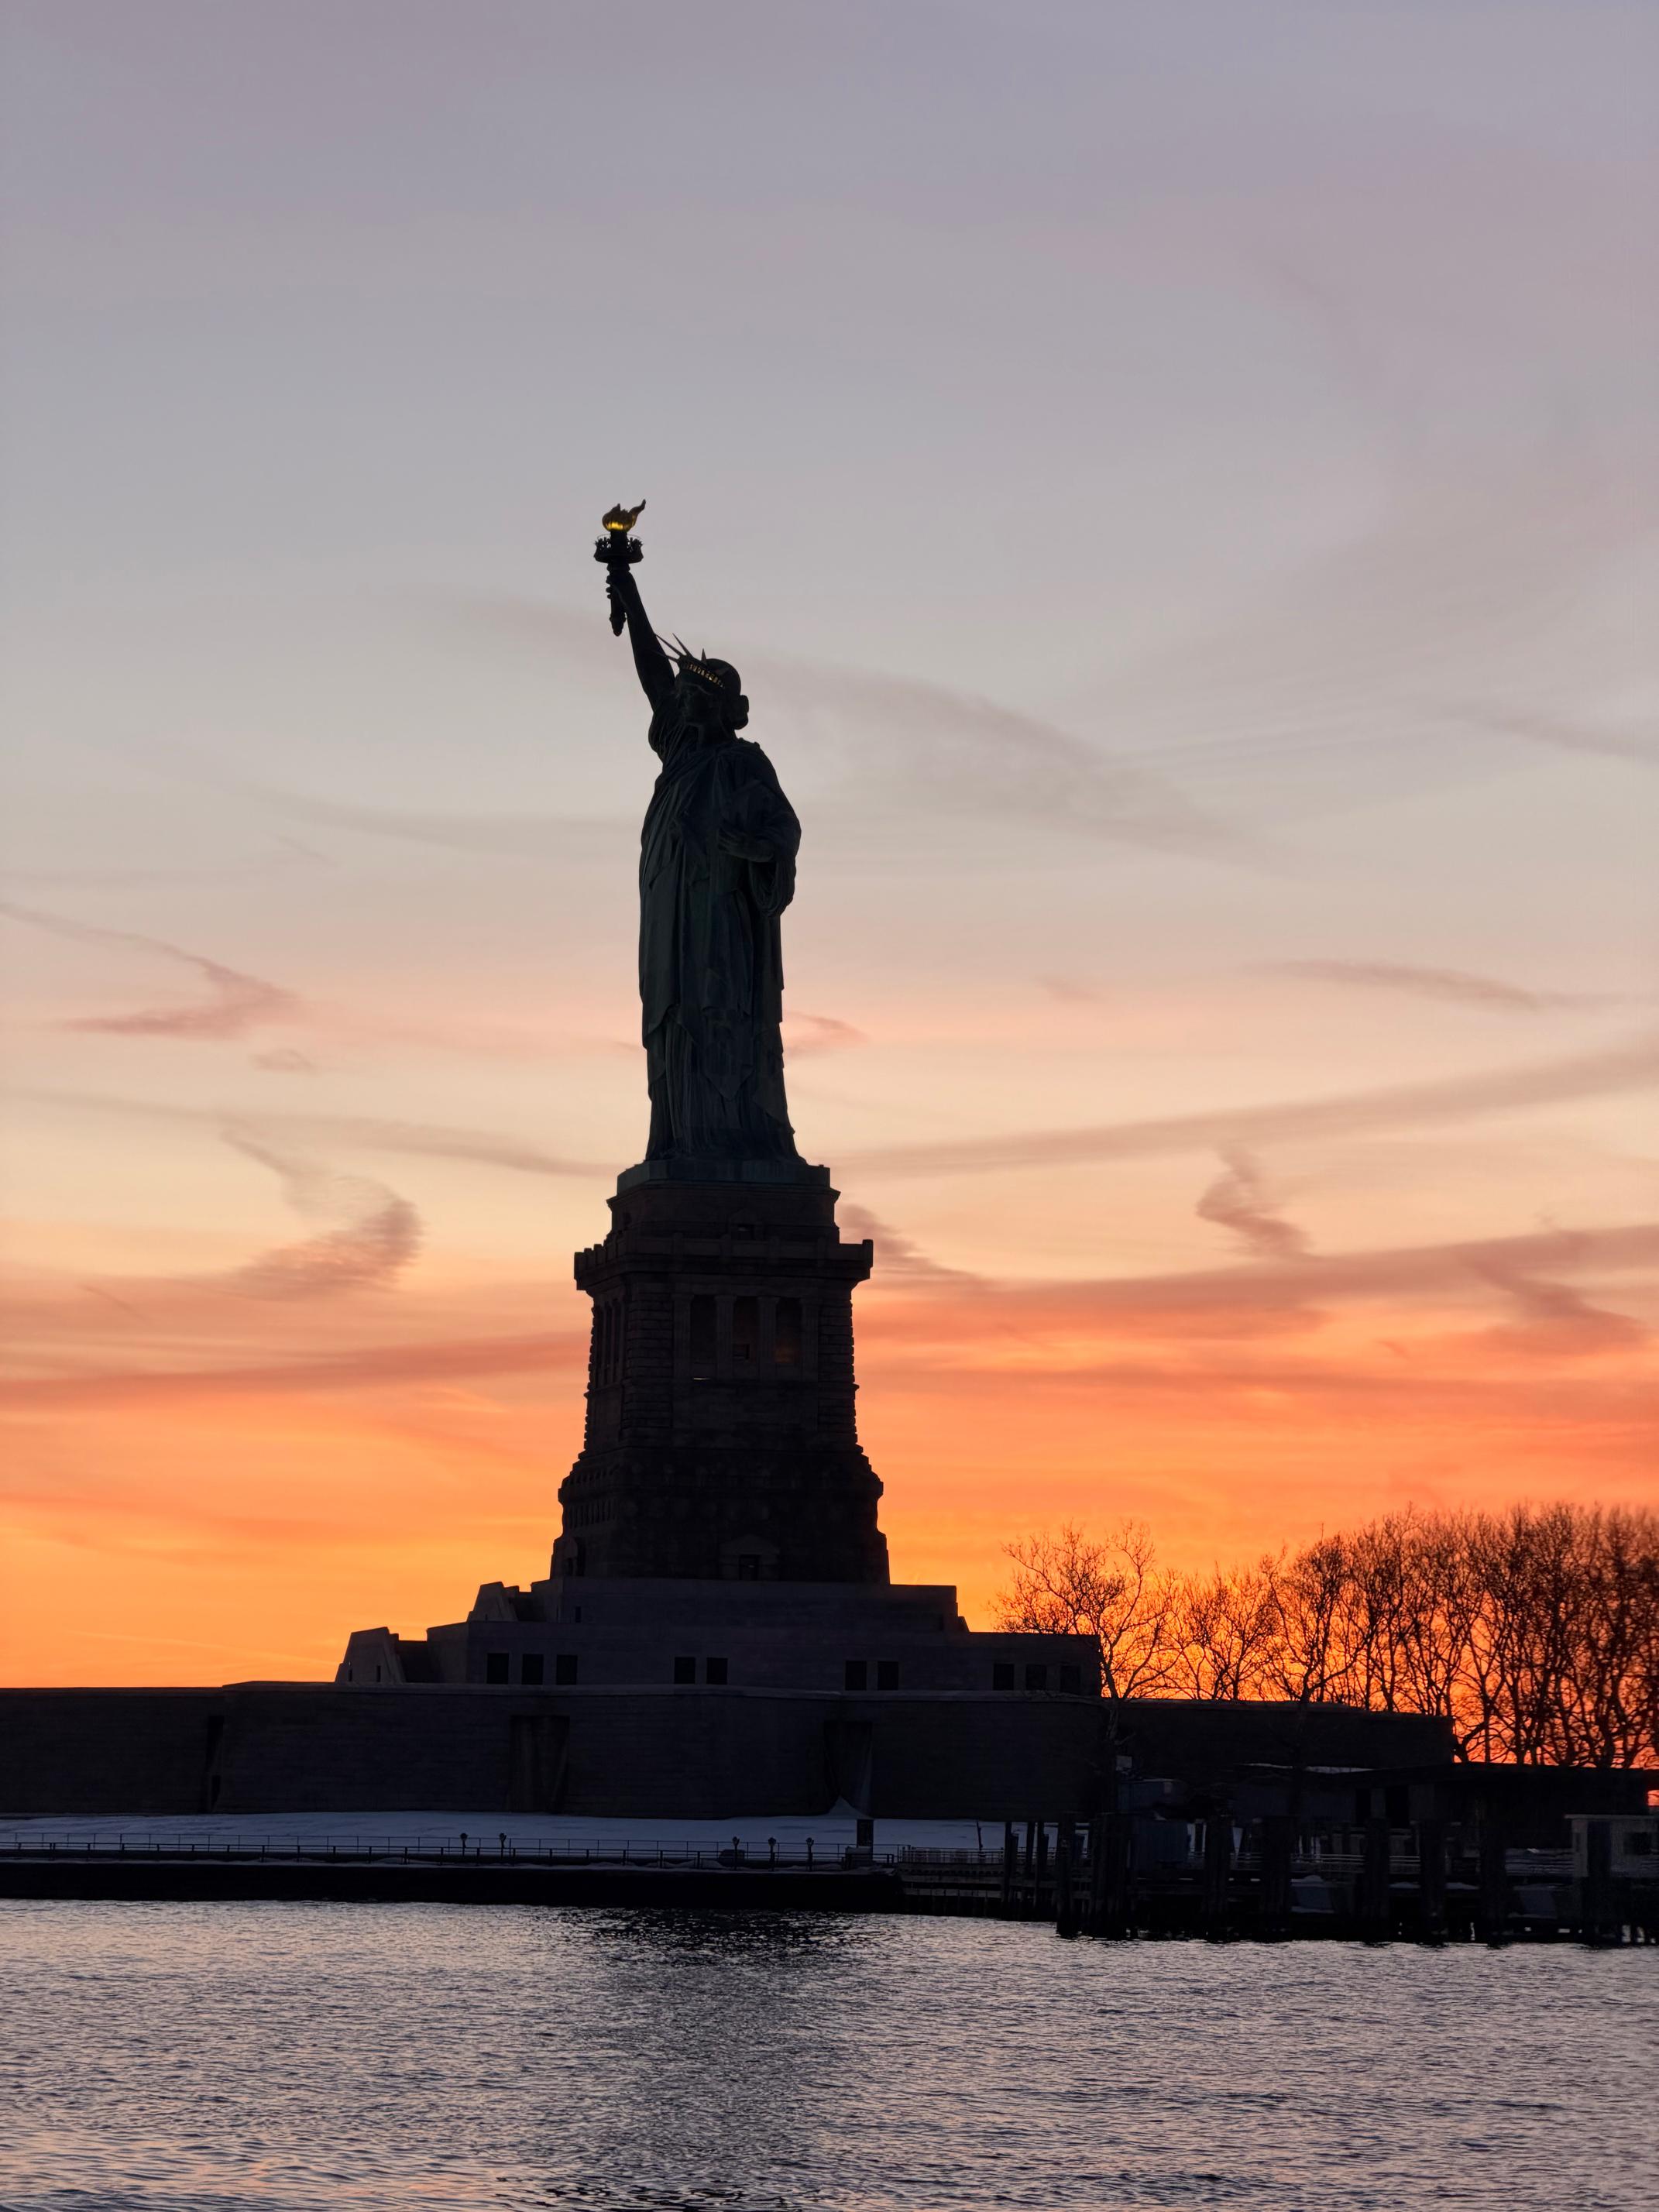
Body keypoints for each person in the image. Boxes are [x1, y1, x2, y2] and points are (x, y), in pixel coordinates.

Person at [606, 561, 802, 1166]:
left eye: (697, 696)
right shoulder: (680, 752)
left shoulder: (744, 765)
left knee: (720, 1019)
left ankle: (734, 1135)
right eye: (684, 695)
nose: (684, 702)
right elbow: (652, 676)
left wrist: (758, 851)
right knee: (673, 1020)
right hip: (670, 915)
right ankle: (681, 1137)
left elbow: (783, 830)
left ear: (727, 710)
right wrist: (625, 586)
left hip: (722, 921)